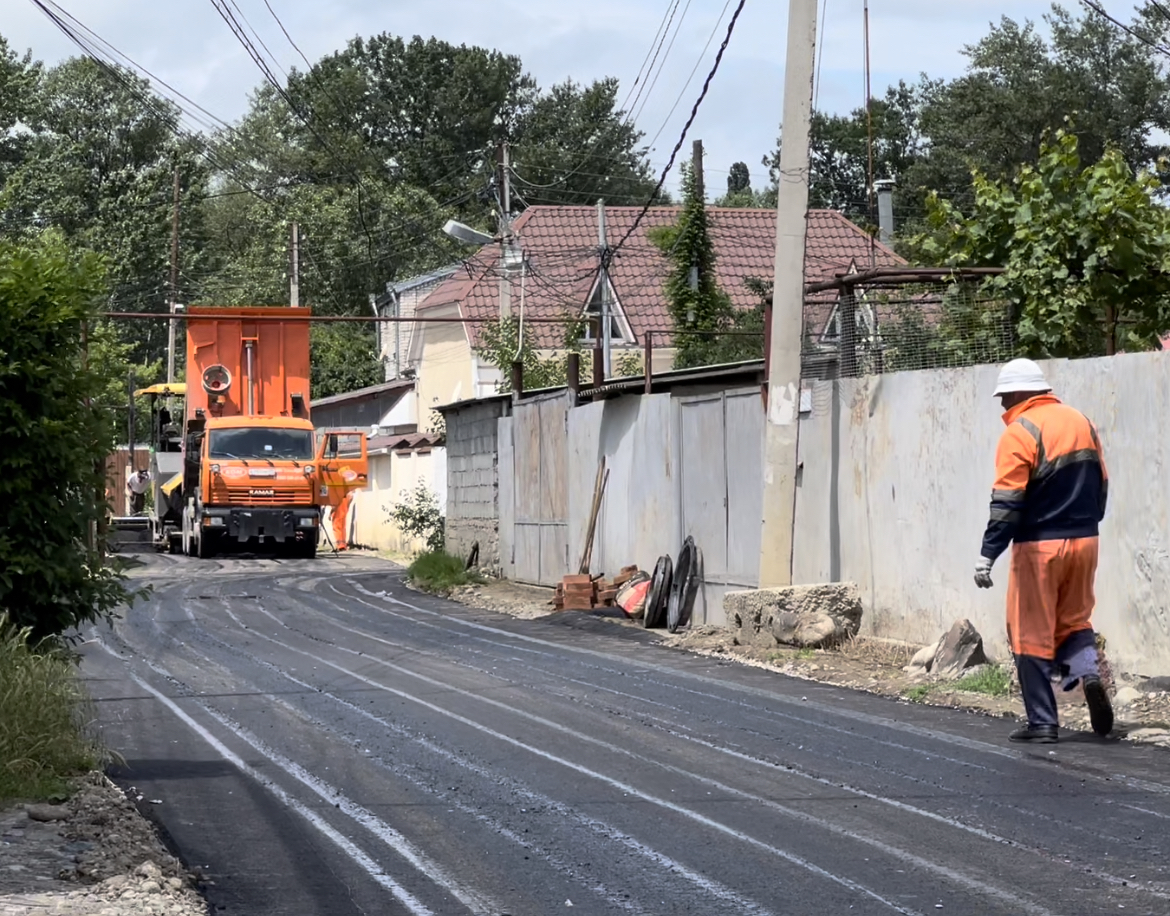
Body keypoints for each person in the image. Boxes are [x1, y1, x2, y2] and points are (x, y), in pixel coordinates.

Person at [974, 358, 1113, 743]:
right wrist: (1087, 524)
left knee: (1028, 632)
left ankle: (1042, 723)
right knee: (1075, 622)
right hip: (1086, 540)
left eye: (1005, 396)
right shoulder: (1082, 422)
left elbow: (1007, 502)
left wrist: (988, 553)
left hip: (1039, 547)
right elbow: (1101, 482)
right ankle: (1088, 674)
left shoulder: (1020, 431)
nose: (1003, 405)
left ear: (1021, 392)